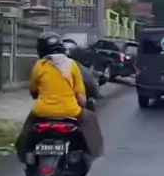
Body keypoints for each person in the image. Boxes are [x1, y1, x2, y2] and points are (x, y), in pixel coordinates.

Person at [15, 32, 104, 163]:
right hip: (70, 111)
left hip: (42, 111)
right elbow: (81, 96)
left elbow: (33, 89)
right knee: (90, 119)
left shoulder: (39, 65)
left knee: (28, 128)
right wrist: (83, 104)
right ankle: (94, 151)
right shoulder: (72, 65)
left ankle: (24, 153)